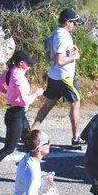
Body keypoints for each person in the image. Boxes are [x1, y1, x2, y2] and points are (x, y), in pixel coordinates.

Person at [0, 50, 45, 190]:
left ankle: (33, 172)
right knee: (9, 148)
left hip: (18, 114)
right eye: (29, 63)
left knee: (30, 141)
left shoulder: (10, 72)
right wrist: (36, 94)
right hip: (15, 116)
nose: (30, 65)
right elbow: (25, 102)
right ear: (21, 63)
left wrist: (9, 93)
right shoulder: (18, 78)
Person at [31, 8, 84, 149]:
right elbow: (60, 60)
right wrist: (75, 57)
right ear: (68, 22)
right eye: (74, 23)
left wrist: (72, 51)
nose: (75, 25)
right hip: (65, 76)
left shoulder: (58, 31)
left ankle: (32, 131)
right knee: (75, 104)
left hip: (54, 75)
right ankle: (76, 138)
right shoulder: (62, 36)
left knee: (50, 103)